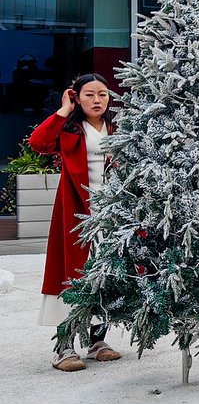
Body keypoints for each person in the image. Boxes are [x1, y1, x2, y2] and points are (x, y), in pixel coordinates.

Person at [29, 74, 123, 372]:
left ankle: (98, 342)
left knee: (107, 274)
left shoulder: (119, 128)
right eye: (89, 94)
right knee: (71, 276)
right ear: (76, 97)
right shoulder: (70, 127)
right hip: (76, 212)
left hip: (112, 214)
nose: (97, 100)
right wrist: (62, 111)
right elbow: (39, 142)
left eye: (103, 94)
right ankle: (64, 347)